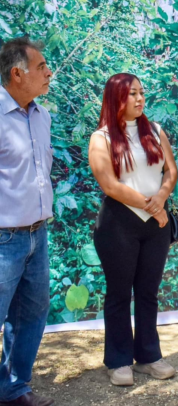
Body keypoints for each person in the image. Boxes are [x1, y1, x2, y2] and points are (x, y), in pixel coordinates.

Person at [88, 73, 178, 386]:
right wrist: (150, 205)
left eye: (141, 92)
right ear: (116, 99)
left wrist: (163, 197)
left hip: (156, 226)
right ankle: (118, 360)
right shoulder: (101, 137)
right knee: (118, 294)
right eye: (132, 94)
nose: (139, 99)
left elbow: (171, 170)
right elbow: (109, 184)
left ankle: (149, 356)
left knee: (148, 293)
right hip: (118, 224)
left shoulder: (154, 130)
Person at [0, 37, 55, 406]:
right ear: (17, 74)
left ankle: (14, 388)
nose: (48, 72)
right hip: (3, 239)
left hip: (38, 234)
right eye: (40, 67)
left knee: (32, 314)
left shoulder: (42, 115)